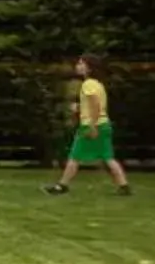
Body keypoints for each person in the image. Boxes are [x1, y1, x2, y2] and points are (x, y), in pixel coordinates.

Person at [48, 54, 131, 197]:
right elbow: (96, 105)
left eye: (81, 64)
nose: (78, 66)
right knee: (107, 157)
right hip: (103, 125)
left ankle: (62, 185)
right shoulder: (98, 84)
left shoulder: (88, 84)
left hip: (92, 125)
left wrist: (91, 126)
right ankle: (124, 186)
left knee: (75, 156)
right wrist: (80, 108)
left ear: (90, 68)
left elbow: (94, 106)